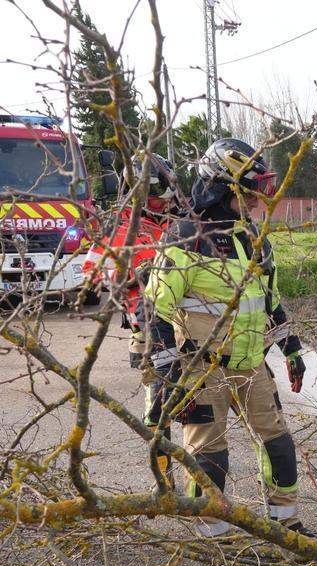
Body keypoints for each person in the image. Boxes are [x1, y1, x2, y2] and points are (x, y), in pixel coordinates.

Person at [144, 137, 311, 537]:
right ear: (221, 189)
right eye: (248, 193)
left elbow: (271, 303)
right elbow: (155, 310)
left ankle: (285, 524)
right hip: (202, 368)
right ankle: (211, 532)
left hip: (251, 363)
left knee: (279, 444)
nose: (256, 201)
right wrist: (166, 376)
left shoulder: (254, 238)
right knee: (211, 454)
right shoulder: (186, 236)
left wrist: (292, 350)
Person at [83, 152, 179, 485]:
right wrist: (132, 279)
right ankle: (164, 476)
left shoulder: (176, 221)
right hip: (148, 328)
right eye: (156, 196)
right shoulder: (118, 225)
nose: (164, 202)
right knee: (158, 404)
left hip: (186, 324)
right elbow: (93, 273)